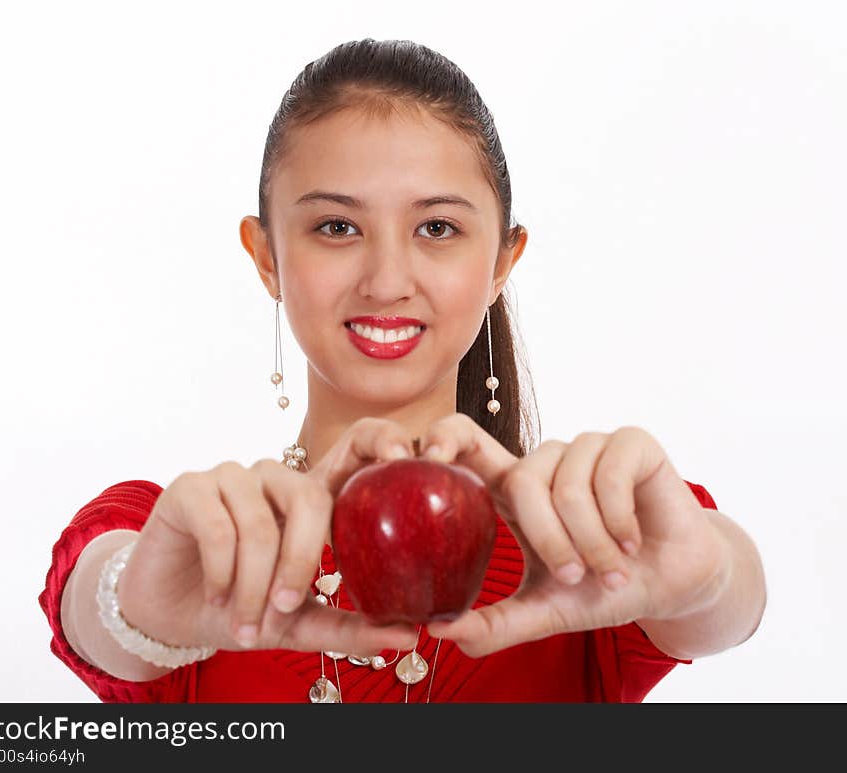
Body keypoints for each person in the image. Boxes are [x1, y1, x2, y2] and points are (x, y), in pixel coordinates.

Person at [38, 38, 767, 703]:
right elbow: (99, 600)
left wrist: (708, 572)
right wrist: (133, 603)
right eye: (336, 226)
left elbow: (722, 595)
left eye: (437, 228)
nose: (387, 279)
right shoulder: (197, 543)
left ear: (501, 264)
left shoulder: (583, 537)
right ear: (266, 257)